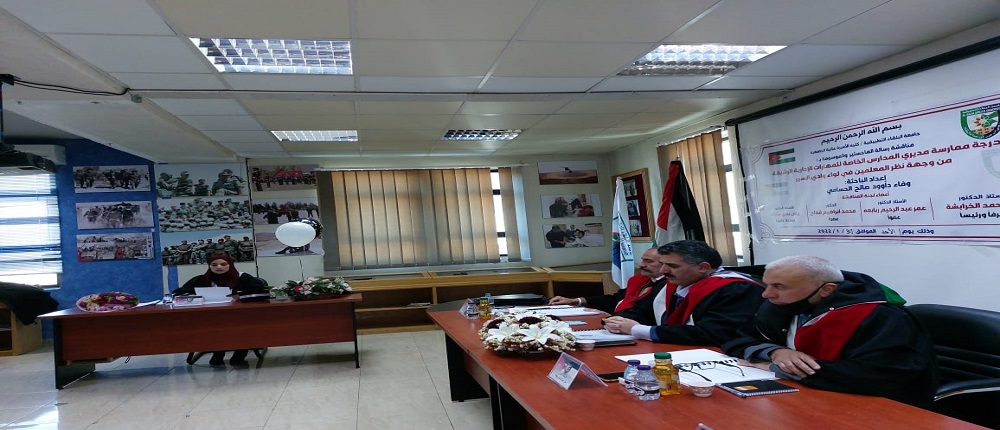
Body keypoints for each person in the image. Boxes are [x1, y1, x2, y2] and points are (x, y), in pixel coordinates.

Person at [722, 256, 937, 408]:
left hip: (874, 405)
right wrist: (775, 352)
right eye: (767, 284)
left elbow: (879, 375)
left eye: (779, 286)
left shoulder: (880, 316)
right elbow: (737, 337)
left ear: (827, 289)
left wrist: (778, 368)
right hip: (804, 397)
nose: (766, 294)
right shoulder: (784, 304)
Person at [603, 240, 764, 346]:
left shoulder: (736, 289)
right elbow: (640, 312)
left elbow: (713, 333)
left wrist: (639, 330)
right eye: (663, 264)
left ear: (703, 267)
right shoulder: (667, 284)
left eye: (672, 266)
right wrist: (617, 321)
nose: (663, 271)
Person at [172, 255, 267, 367]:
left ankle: (240, 352)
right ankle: (218, 352)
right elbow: (177, 293)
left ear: (230, 265)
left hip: (241, 315)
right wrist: (195, 297)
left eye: (223, 264)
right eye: (214, 265)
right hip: (212, 316)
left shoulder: (243, 278)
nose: (219, 267)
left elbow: (262, 293)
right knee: (213, 326)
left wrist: (240, 297)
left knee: (240, 326)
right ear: (209, 266)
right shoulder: (201, 279)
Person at [550, 247, 666, 326]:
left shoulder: (666, 286)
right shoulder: (641, 280)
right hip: (614, 323)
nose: (641, 265)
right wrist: (575, 300)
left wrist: (608, 316)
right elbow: (614, 299)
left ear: (664, 264)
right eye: (642, 260)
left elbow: (644, 314)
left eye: (648, 261)